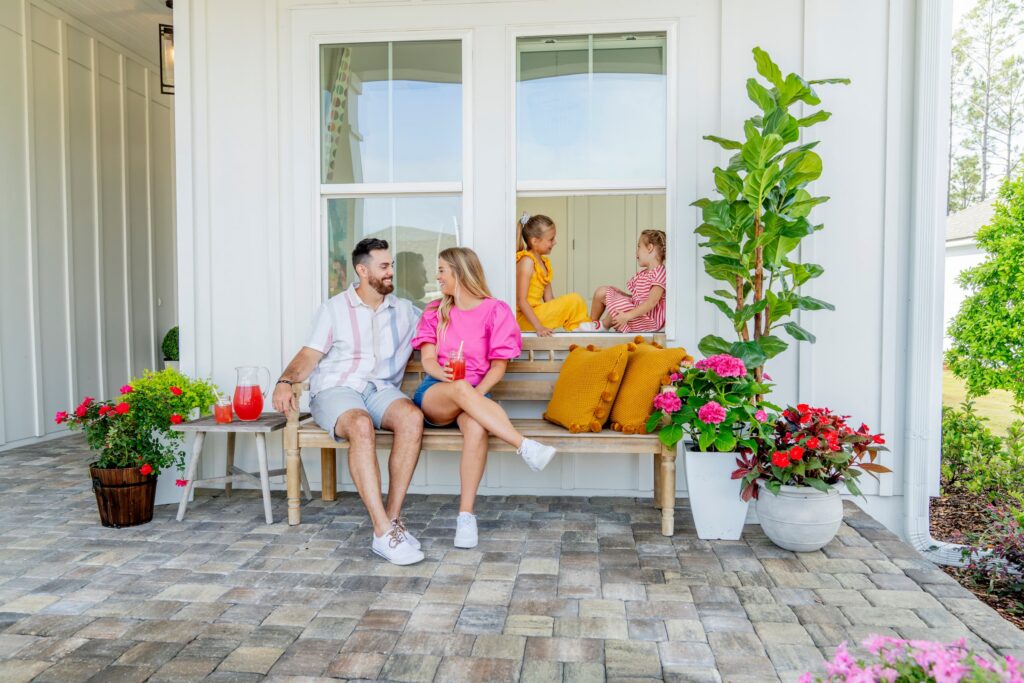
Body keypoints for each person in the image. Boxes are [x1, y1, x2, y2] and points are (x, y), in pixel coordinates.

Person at [272, 238, 426, 566]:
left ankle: (392, 524)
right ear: (362, 269)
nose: (390, 273)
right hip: (337, 389)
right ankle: (381, 529)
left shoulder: (405, 311)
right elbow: (310, 355)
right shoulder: (334, 309)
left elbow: (445, 323)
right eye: (384, 267)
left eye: (391, 266)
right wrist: (286, 381)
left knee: (412, 418)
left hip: (380, 389)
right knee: (359, 424)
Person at [412, 247, 556, 548]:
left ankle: (465, 518)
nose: (437, 277)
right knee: (462, 390)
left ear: (459, 272)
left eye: (441, 270)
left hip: (475, 395)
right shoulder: (435, 311)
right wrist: (449, 379)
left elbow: (499, 366)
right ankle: (524, 446)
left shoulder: (496, 311)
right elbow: (427, 361)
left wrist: (471, 396)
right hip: (436, 393)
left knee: (477, 427)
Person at [515, 213, 597, 336]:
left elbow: (549, 300)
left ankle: (580, 329)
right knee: (574, 299)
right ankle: (583, 329)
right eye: (551, 239)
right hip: (525, 319)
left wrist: (561, 311)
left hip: (538, 314)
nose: (555, 242)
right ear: (535, 241)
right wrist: (539, 327)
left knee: (575, 300)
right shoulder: (527, 261)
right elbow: (521, 301)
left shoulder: (543, 263)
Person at [590, 229, 667, 332]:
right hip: (637, 313)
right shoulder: (644, 273)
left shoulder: (660, 273)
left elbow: (651, 303)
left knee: (620, 304)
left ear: (649, 248)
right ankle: (592, 326)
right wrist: (618, 296)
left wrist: (626, 316)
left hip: (648, 321)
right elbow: (636, 299)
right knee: (602, 292)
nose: (636, 252)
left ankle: (603, 326)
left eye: (639, 247)